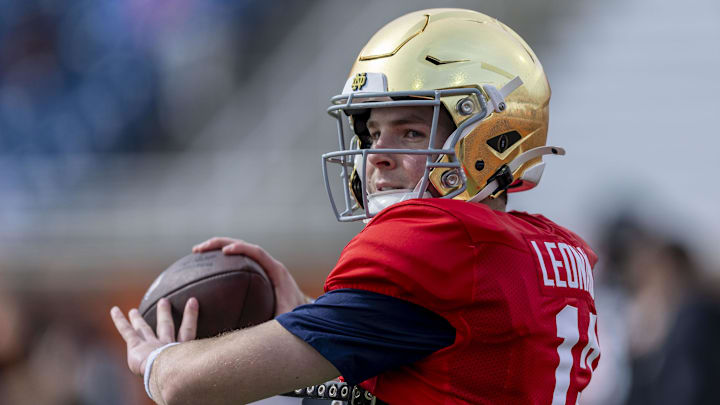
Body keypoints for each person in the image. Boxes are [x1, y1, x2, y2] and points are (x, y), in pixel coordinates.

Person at [110, 8, 600, 405]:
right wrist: (313, 317)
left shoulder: (438, 242)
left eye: (410, 131)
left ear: (491, 136)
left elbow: (185, 386)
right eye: (371, 133)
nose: (376, 155)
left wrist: (159, 362)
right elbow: (431, 372)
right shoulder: (549, 250)